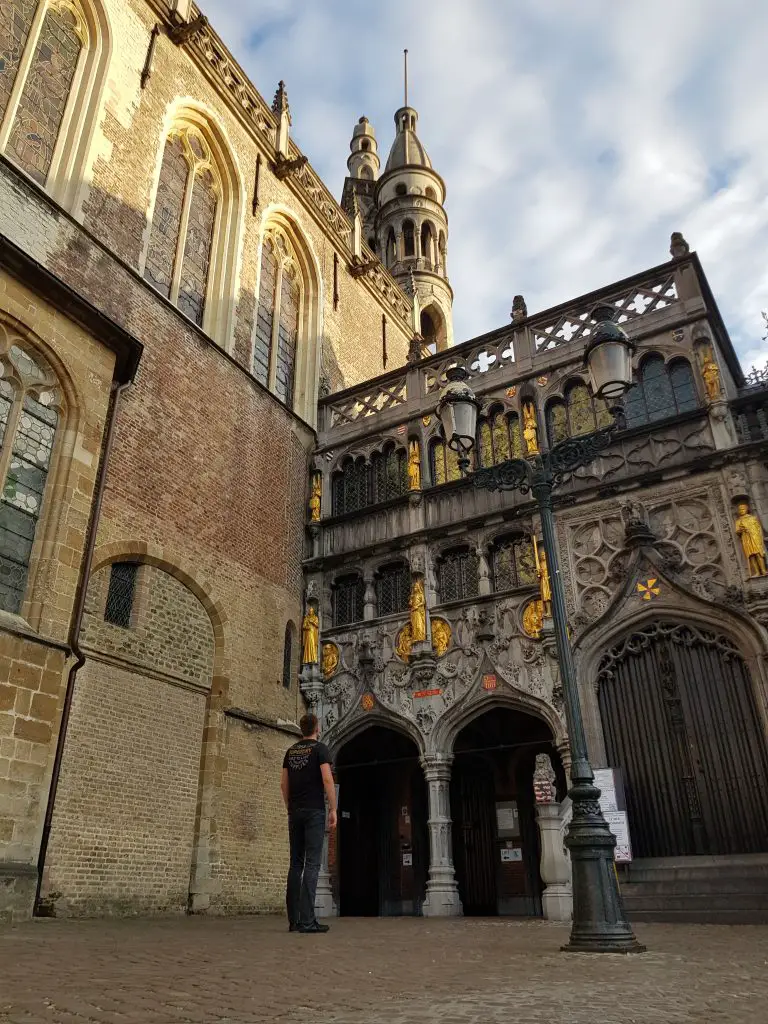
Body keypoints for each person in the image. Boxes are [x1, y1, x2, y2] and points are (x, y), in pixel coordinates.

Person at [281, 713, 337, 933]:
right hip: (314, 811)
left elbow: (283, 784)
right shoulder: (320, 749)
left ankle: (294, 920)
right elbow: (326, 779)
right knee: (312, 864)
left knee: (295, 864)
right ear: (317, 728)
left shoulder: (290, 751)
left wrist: (289, 807)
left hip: (294, 812)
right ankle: (307, 920)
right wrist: (333, 808)